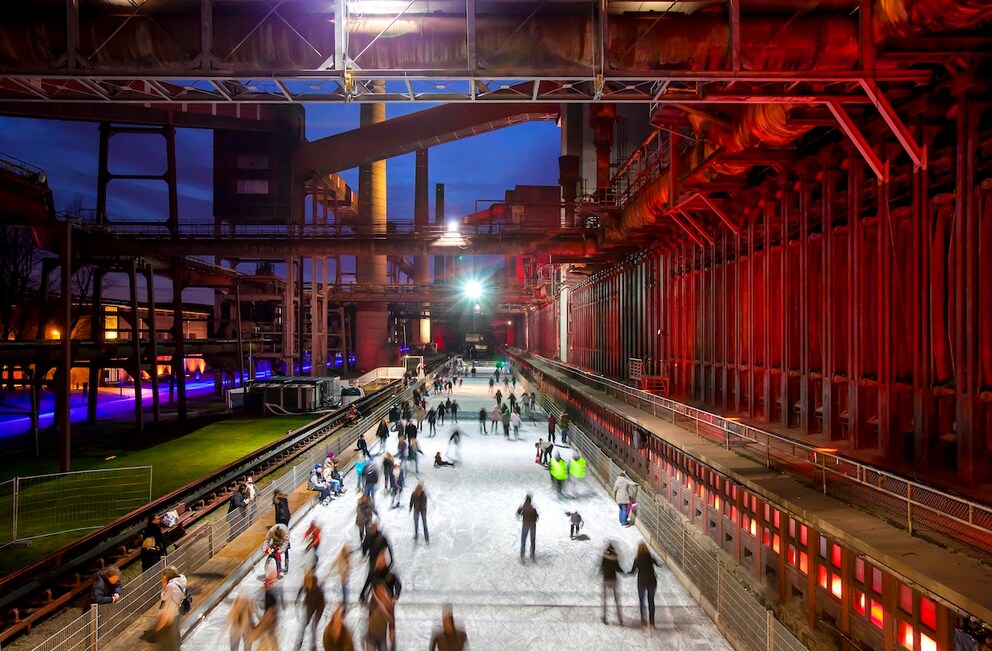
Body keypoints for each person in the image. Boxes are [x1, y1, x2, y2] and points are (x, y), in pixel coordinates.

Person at [360, 554, 402, 651]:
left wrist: (395, 596)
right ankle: (374, 640)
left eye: (382, 561)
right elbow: (365, 588)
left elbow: (398, 585)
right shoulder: (373, 573)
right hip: (375, 603)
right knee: (374, 624)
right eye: (379, 561)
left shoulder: (390, 575)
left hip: (387, 603)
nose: (380, 563)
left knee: (387, 623)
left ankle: (387, 642)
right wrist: (363, 598)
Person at [143, 566, 186, 651]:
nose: (163, 577)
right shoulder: (182, 580)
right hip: (177, 611)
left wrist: (164, 585)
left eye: (164, 575)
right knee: (174, 633)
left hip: (169, 612)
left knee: (167, 636)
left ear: (167, 575)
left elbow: (163, 597)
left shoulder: (170, 585)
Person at [629, 542, 662, 627]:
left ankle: (643, 620)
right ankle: (652, 620)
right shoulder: (650, 557)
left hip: (642, 582)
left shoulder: (637, 558)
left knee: (642, 601)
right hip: (652, 581)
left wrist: (625, 573)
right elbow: (658, 564)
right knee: (651, 601)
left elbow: (633, 571)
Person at [296, 567, 327, 651]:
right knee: (304, 625)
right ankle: (299, 644)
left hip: (318, 607)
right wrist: (297, 600)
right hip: (310, 607)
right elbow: (301, 590)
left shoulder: (317, 591)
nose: (305, 583)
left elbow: (321, 603)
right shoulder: (306, 586)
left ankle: (313, 646)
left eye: (306, 581)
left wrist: (316, 615)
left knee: (314, 626)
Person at [600, 543, 625, 625]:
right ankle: (620, 618)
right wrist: (625, 572)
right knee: (616, 599)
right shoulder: (614, 557)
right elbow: (618, 568)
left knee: (604, 599)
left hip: (606, 579)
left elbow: (602, 567)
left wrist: (602, 572)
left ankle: (604, 616)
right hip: (613, 579)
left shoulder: (604, 557)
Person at [516, 494, 538, 561]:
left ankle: (522, 555)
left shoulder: (523, 506)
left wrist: (522, 514)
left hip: (525, 524)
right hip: (532, 525)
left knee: (523, 539)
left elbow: (518, 513)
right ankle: (532, 554)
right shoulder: (533, 508)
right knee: (532, 539)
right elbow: (537, 516)